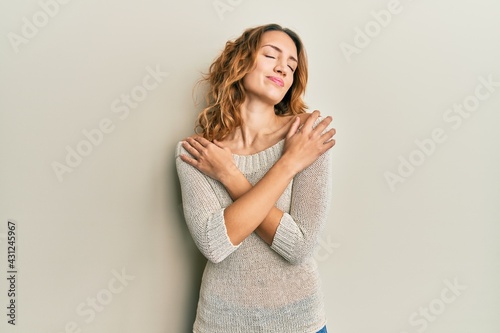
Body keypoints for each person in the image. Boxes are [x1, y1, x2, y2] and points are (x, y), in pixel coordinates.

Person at [175, 23, 335, 333]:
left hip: (300, 322)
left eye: (291, 65)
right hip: (222, 323)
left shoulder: (307, 138)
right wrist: (288, 165)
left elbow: (299, 246)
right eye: (271, 55)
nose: (282, 69)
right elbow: (215, 244)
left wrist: (229, 175)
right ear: (242, 61)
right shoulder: (198, 152)